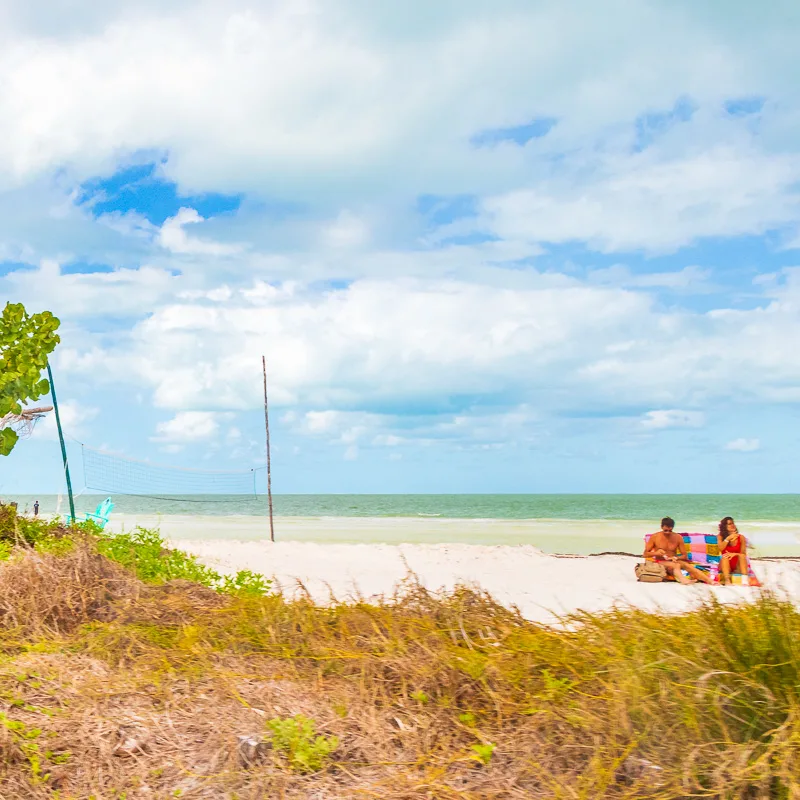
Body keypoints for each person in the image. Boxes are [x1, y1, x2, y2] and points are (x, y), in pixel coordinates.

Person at [644, 517, 714, 585]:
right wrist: (656, 553)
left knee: (687, 566)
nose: (668, 532)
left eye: (670, 530)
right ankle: (684, 580)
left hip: (673, 560)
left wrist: (676, 558)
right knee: (676, 565)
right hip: (660, 561)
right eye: (665, 530)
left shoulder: (678, 537)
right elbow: (645, 554)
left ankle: (709, 581)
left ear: (673, 528)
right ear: (661, 527)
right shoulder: (655, 537)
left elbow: (684, 556)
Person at [717, 516, 747, 585]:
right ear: (725, 526)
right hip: (725, 563)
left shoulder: (741, 537)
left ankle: (745, 581)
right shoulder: (720, 536)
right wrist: (728, 538)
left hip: (736, 564)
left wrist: (734, 554)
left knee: (742, 557)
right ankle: (727, 581)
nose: (732, 525)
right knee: (725, 557)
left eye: (733, 523)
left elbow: (743, 554)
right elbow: (720, 548)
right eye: (729, 524)